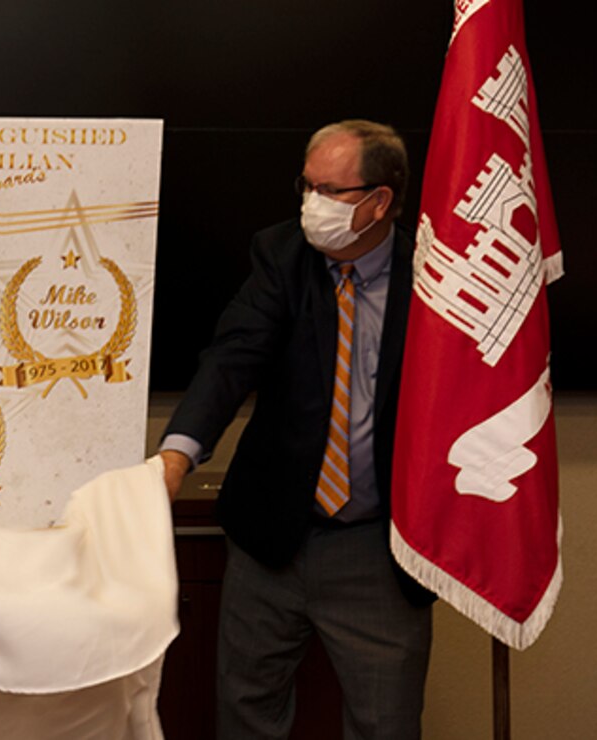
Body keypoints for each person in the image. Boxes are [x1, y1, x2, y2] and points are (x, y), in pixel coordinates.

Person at [159, 119, 434, 740]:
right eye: (306, 187)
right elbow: (231, 360)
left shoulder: (436, 277)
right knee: (247, 716)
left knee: (386, 725)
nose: (311, 205)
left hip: (380, 550)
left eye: (330, 190)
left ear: (379, 200)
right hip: (271, 540)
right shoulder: (281, 256)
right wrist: (176, 458)